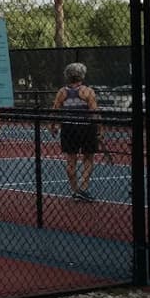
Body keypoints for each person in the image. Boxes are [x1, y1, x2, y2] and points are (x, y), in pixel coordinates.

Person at [50, 62, 100, 201]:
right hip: (86, 128)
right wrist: (100, 129)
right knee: (88, 158)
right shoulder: (88, 91)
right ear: (82, 75)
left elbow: (54, 110)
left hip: (69, 128)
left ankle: (75, 190)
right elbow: (94, 112)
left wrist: (52, 125)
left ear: (67, 75)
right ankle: (83, 188)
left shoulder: (62, 92)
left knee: (71, 160)